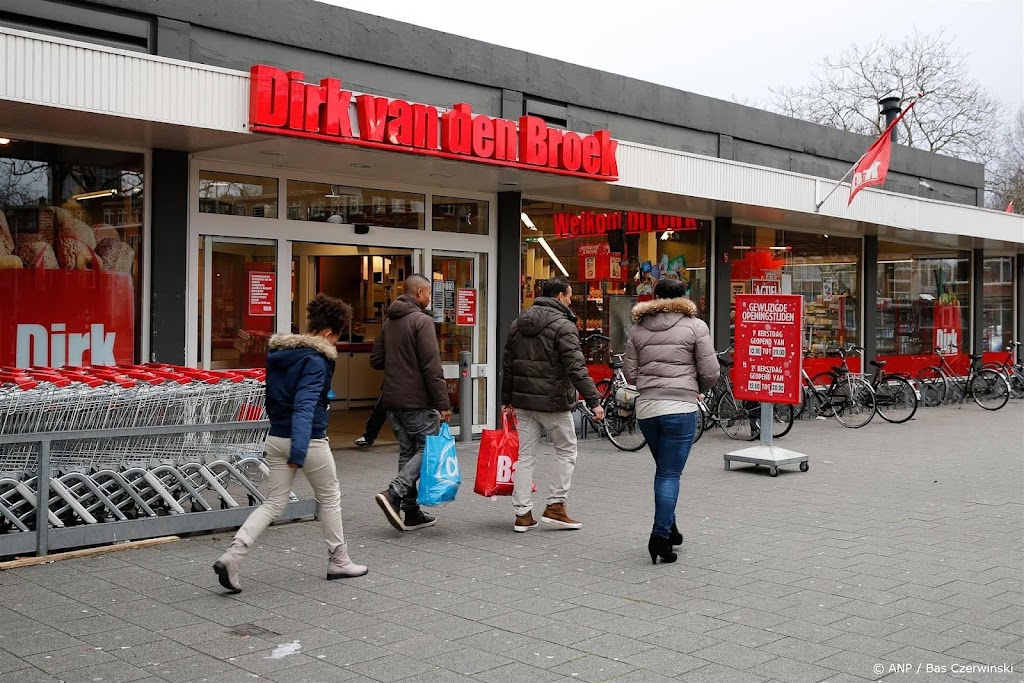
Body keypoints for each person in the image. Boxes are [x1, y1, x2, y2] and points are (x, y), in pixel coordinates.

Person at [213, 294, 368, 593]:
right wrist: (299, 449)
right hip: (307, 441)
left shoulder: (280, 355)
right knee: (330, 496)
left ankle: (234, 554)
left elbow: (275, 399)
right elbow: (305, 405)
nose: (334, 345)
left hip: (276, 437)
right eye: (335, 338)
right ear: (326, 334)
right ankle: (339, 559)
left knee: (273, 502)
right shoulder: (316, 361)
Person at [624, 278, 720, 565]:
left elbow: (630, 373)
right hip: (680, 407)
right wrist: (696, 387)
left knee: (664, 470)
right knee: (669, 474)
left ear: (655, 297)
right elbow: (711, 370)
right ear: (684, 297)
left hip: (648, 409)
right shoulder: (695, 326)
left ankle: (671, 528)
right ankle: (659, 537)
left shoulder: (638, 329)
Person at [501, 276, 605, 533]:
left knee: (525, 456)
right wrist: (594, 401)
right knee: (566, 451)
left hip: (523, 402)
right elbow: (576, 368)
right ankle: (555, 506)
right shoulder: (563, 326)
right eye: (569, 296)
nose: (570, 301)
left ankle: (522, 513)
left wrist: (506, 401)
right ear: (560, 297)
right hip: (553, 403)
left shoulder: (518, 324)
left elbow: (508, 365)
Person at [371, 274, 452, 531]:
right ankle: (394, 493)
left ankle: (411, 511)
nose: (430, 298)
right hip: (416, 399)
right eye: (428, 293)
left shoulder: (389, 322)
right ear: (419, 293)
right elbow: (431, 365)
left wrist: (399, 363)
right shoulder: (421, 321)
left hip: (392, 399)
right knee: (429, 447)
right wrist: (443, 403)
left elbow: (376, 359)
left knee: (407, 452)